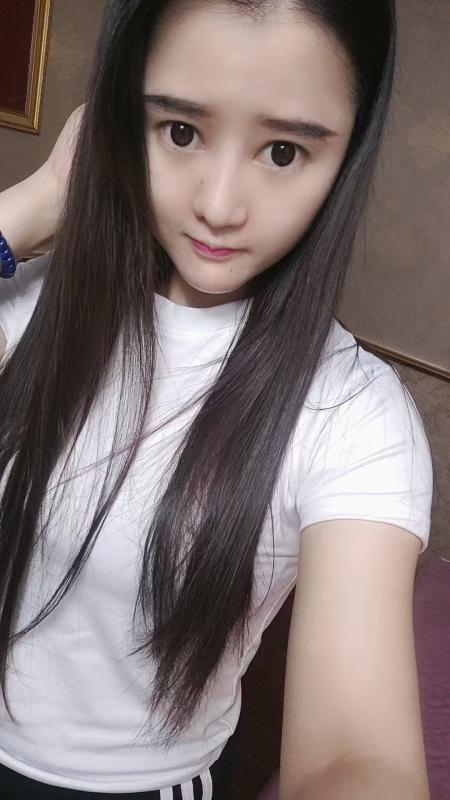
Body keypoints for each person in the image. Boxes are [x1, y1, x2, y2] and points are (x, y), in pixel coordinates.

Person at [0, 1, 434, 798]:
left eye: (283, 151)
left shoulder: (353, 417)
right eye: (180, 131)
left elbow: (358, 756)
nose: (220, 205)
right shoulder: (33, 301)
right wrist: (39, 199)